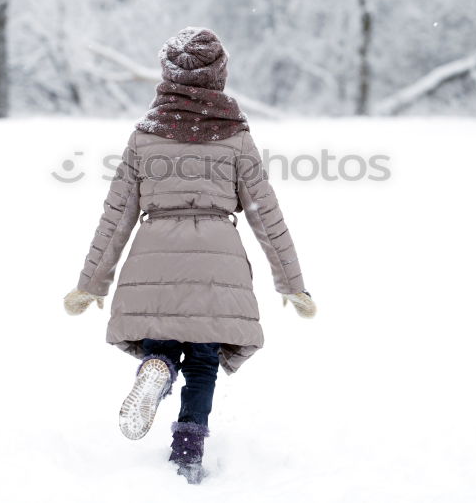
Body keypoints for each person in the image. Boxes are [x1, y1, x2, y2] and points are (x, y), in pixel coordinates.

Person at [63, 27, 316, 485]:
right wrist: (292, 283)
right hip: (217, 260)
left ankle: (156, 369)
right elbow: (266, 214)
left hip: (154, 252)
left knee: (163, 336)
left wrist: (92, 282)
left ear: (168, 75)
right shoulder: (236, 138)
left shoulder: (145, 137)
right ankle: (188, 452)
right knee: (203, 359)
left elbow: (116, 216)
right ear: (219, 76)